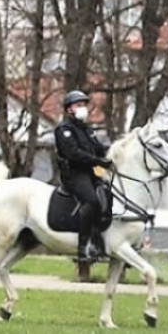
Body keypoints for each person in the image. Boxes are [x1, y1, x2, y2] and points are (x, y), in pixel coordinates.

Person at [55, 89, 112, 262]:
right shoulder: (64, 129)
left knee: (107, 194)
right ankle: (82, 248)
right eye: (78, 105)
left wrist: (110, 154)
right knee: (91, 201)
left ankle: (100, 241)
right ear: (69, 109)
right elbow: (73, 153)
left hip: (88, 172)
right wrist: (97, 161)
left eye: (84, 105)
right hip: (73, 174)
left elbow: (98, 148)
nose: (83, 108)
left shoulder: (86, 129)